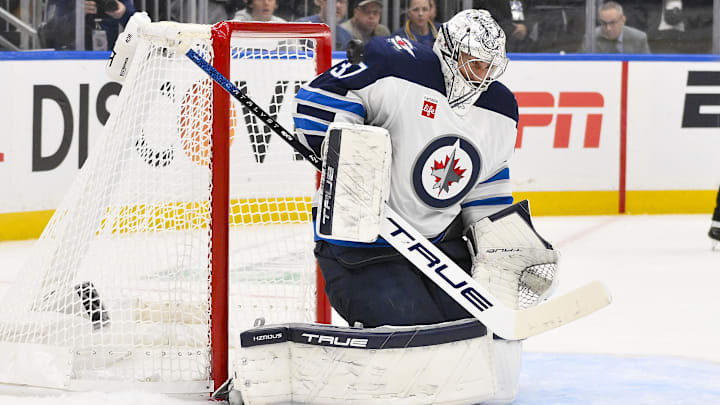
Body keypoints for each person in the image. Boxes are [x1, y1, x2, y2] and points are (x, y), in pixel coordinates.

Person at [292, 9, 559, 402]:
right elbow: (314, 106)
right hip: (364, 245)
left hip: (438, 244)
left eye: (491, 64)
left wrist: (505, 243)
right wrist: (347, 144)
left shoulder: (501, 109)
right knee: (417, 340)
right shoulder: (394, 62)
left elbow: (486, 186)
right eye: (474, 61)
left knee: (476, 333)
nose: (482, 73)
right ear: (448, 50)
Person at [40, 0, 135, 50]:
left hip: (109, 57)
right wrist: (77, 14)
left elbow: (138, 27)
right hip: (70, 57)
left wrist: (124, 13)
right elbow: (51, 31)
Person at [581, 1, 651, 53]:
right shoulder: (591, 38)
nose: (608, 28)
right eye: (604, 23)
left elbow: (647, 66)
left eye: (612, 23)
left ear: (623, 20)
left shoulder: (639, 38)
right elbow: (579, 65)